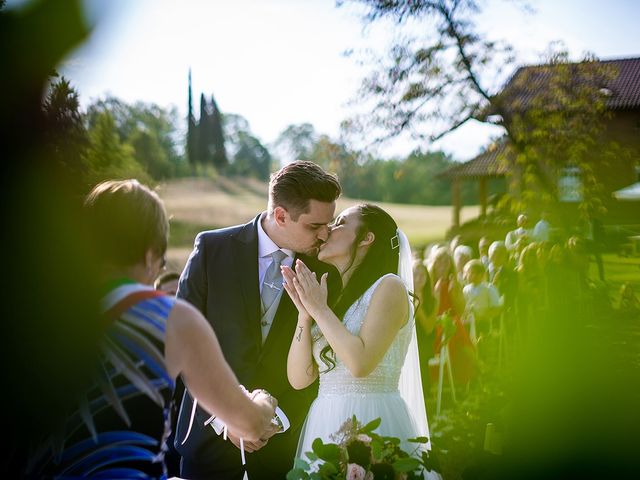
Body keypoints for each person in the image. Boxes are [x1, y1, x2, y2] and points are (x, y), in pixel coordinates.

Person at [26, 180, 277, 479]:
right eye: (159, 264)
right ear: (150, 255)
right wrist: (262, 401)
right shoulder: (173, 320)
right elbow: (249, 424)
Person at [174, 161, 342, 480]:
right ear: (280, 215)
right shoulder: (212, 250)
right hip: (207, 443)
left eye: (329, 224)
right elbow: (181, 344)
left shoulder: (325, 276)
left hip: (279, 452)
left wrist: (269, 422)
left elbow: (322, 367)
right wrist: (230, 420)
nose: (325, 235)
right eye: (314, 226)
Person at [283, 204, 436, 471]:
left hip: (373, 421)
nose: (328, 229)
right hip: (325, 421)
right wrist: (304, 316)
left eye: (340, 223)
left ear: (367, 238)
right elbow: (299, 379)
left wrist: (319, 309)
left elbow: (360, 364)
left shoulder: (389, 287)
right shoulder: (335, 300)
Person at [413, 259, 439, 400]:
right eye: (415, 274)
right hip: (409, 339)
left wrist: (419, 306)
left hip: (425, 341)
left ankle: (425, 397)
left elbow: (429, 328)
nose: (418, 278)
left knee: (420, 356)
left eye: (422, 275)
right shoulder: (403, 295)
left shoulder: (433, 300)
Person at [462, 259, 503, 339]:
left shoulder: (489, 288)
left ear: (480, 274)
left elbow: (496, 308)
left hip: (485, 323)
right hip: (469, 323)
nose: (467, 275)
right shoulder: (465, 289)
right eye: (467, 273)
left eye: (470, 273)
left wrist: (484, 316)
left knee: (484, 342)